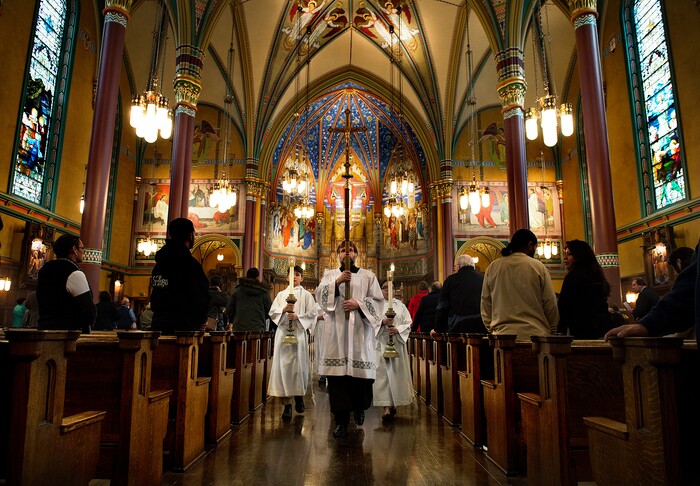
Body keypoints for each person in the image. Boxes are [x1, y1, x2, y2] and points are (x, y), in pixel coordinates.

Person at [315, 241, 384, 438]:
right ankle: (341, 421)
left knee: (360, 377)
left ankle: (360, 408)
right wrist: (336, 283)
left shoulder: (368, 276)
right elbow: (320, 297)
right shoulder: (329, 275)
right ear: (338, 254)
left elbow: (379, 303)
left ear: (356, 254)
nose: (347, 253)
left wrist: (358, 304)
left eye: (351, 250)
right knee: (338, 381)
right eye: (343, 250)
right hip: (336, 333)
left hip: (359, 333)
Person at [605, 240, 699, 344]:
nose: (632, 287)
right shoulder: (651, 292)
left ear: (678, 262)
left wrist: (644, 323)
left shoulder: (644, 294)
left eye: (634, 285)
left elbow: (682, 300)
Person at [481, 228, 559, 340]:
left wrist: (491, 328)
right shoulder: (538, 267)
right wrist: (552, 328)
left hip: (502, 336)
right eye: (535, 248)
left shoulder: (493, 267)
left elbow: (486, 302)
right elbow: (550, 302)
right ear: (530, 245)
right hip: (535, 334)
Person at [268, 265, 316, 421]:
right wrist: (283, 311)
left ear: (302, 278)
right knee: (284, 370)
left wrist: (298, 318)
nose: (294, 277)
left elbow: (312, 313)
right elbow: (272, 312)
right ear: (286, 278)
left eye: (297, 274)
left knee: (299, 368)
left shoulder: (307, 295)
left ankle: (299, 397)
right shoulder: (281, 295)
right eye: (291, 275)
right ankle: (287, 404)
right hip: (283, 335)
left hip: (299, 334)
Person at [151, 218, 209, 334]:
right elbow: (201, 295)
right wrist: (201, 320)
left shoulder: (159, 265)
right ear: (190, 235)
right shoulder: (190, 265)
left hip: (158, 325)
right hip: (183, 328)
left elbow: (156, 294)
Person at [37, 234, 95, 333]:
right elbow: (88, 312)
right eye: (82, 248)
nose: (83, 251)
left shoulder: (45, 269)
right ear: (74, 249)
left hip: (44, 330)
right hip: (67, 335)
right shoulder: (74, 272)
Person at [557, 240, 615, 339]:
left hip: (581, 332)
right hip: (602, 332)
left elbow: (563, 307)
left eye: (569, 254)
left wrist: (560, 331)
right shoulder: (597, 276)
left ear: (579, 256)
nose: (565, 258)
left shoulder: (572, 277)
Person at [374, 279, 414, 421]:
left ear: (395, 290)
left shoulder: (401, 306)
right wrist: (382, 323)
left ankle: (394, 402)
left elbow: (408, 323)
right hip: (382, 343)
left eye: (391, 288)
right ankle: (386, 407)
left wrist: (398, 329)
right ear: (380, 290)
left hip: (397, 344)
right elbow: (371, 323)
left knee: (396, 375)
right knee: (383, 376)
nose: (388, 291)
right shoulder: (376, 305)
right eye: (385, 288)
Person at [433, 254, 484, 334]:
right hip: (481, 326)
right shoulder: (483, 278)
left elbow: (443, 306)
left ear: (459, 266)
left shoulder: (451, 280)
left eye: (455, 266)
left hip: (458, 327)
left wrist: (437, 329)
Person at [227, 267, 272, 332]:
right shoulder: (262, 292)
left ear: (246, 276)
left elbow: (229, 309)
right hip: (258, 327)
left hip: (239, 327)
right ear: (257, 277)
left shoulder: (237, 291)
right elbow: (270, 310)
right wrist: (261, 317)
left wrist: (234, 318)